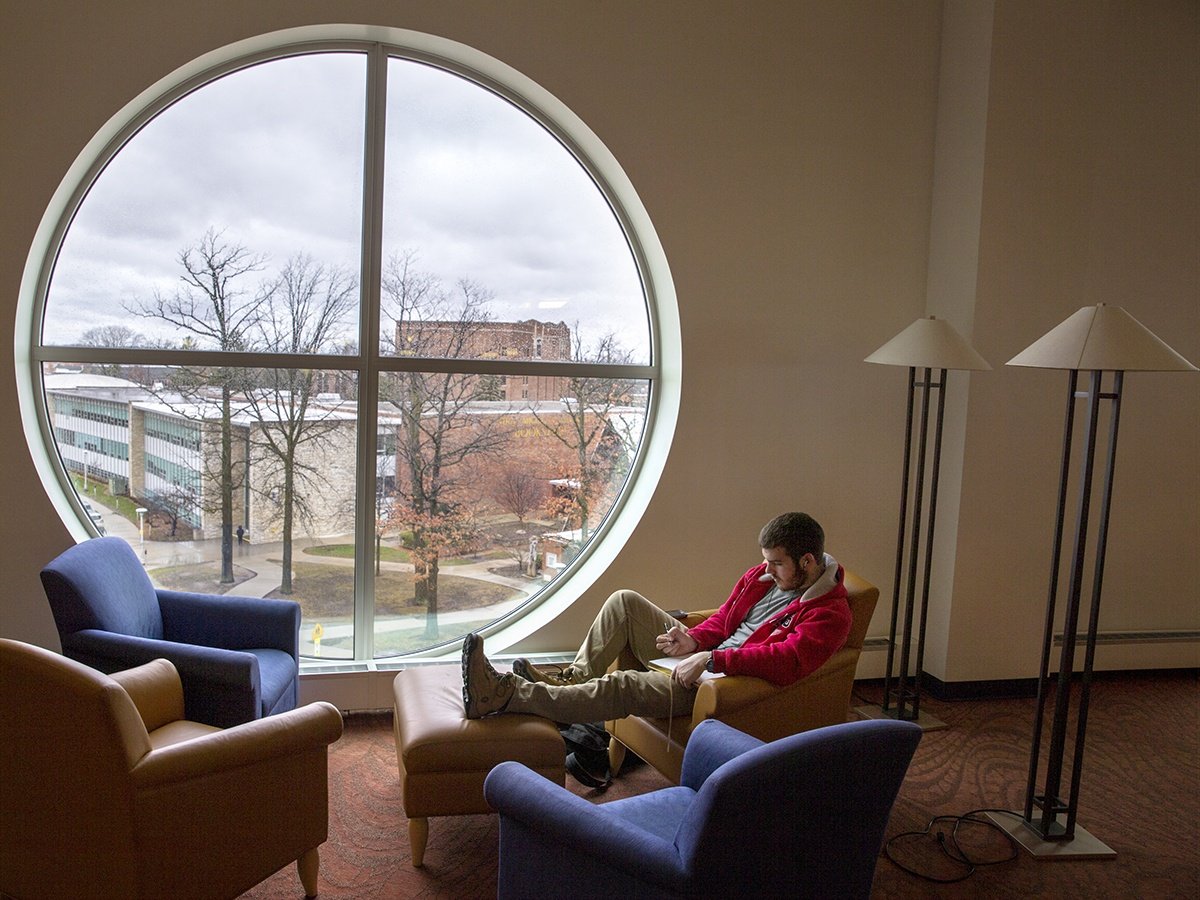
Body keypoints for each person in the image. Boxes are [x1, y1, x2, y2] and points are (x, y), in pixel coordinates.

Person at [461, 512, 853, 733]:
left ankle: (506, 695)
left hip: (722, 682)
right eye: (765, 559)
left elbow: (788, 660)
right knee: (625, 602)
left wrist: (713, 661)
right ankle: (574, 678)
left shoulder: (830, 613)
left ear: (807, 562)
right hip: (707, 660)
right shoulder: (762, 577)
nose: (765, 569)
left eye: (777, 563)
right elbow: (724, 619)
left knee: (623, 684)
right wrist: (694, 640)